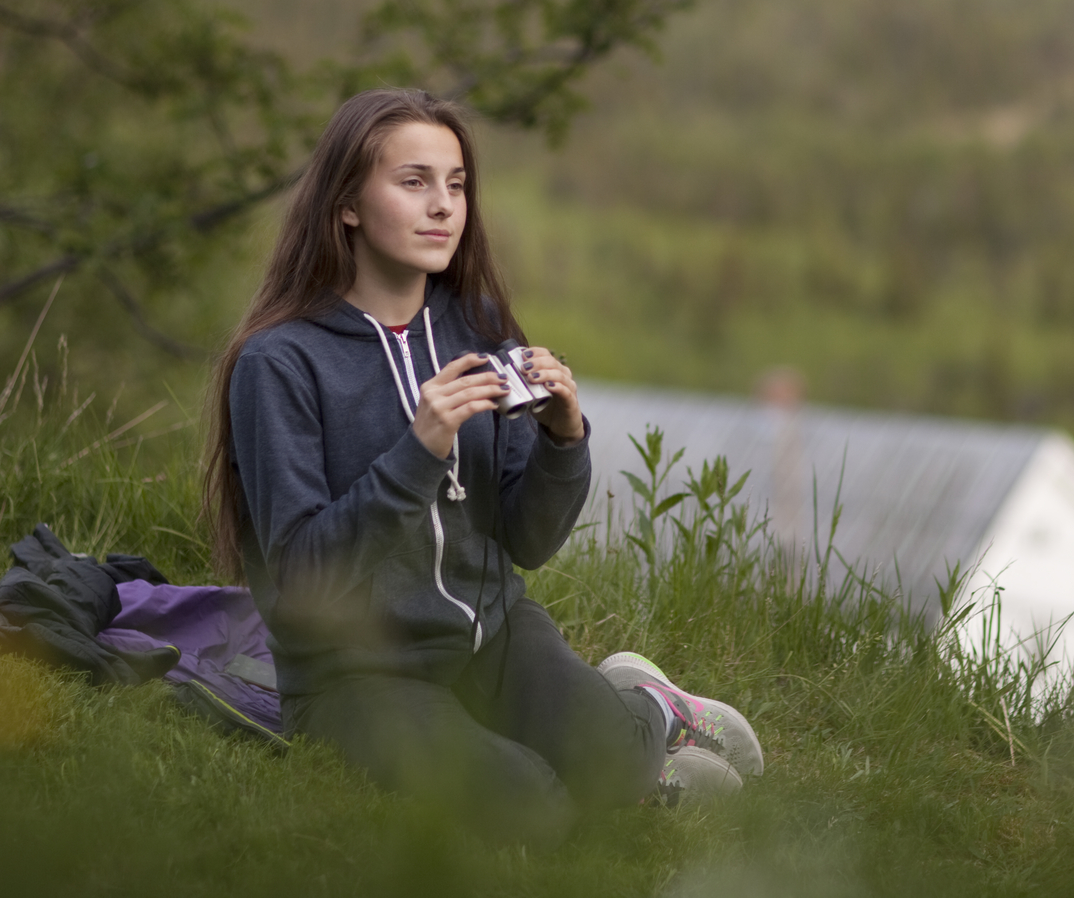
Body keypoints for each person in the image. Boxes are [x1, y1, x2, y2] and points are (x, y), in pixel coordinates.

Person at [201, 88, 762, 839]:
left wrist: (564, 438)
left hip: (490, 635)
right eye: (414, 181)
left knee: (611, 758)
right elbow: (304, 580)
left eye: (456, 184)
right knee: (529, 809)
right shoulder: (281, 362)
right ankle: (628, 772)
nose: (443, 206)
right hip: (357, 678)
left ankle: (647, 706)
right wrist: (418, 450)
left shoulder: (479, 324)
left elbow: (528, 540)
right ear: (347, 205)